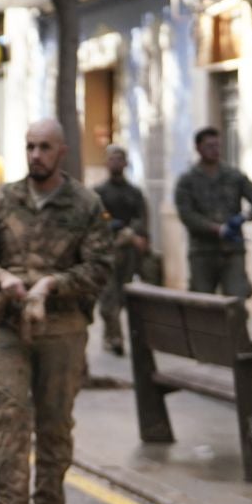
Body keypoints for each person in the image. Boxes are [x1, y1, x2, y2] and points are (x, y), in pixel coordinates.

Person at [0, 118, 113, 504]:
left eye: (45, 147)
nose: (35, 155)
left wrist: (53, 285)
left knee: (54, 422)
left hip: (61, 326)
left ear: (62, 151)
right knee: (8, 414)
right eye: (30, 146)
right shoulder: (2, 200)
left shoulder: (85, 205)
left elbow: (100, 267)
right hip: (5, 321)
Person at [174, 127, 252, 298]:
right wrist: (216, 229)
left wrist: (243, 217)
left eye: (217, 145)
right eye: (209, 146)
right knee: (202, 304)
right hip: (202, 252)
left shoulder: (234, 175)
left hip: (231, 251)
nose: (215, 150)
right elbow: (187, 215)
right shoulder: (187, 180)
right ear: (198, 148)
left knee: (236, 302)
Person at [94, 145, 152, 356]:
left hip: (129, 254)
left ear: (126, 163)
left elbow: (142, 220)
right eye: (112, 159)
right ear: (106, 162)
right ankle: (113, 337)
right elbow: (97, 222)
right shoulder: (98, 193)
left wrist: (135, 236)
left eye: (120, 159)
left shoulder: (134, 193)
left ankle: (121, 337)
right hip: (106, 253)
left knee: (125, 297)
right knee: (107, 298)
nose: (116, 162)